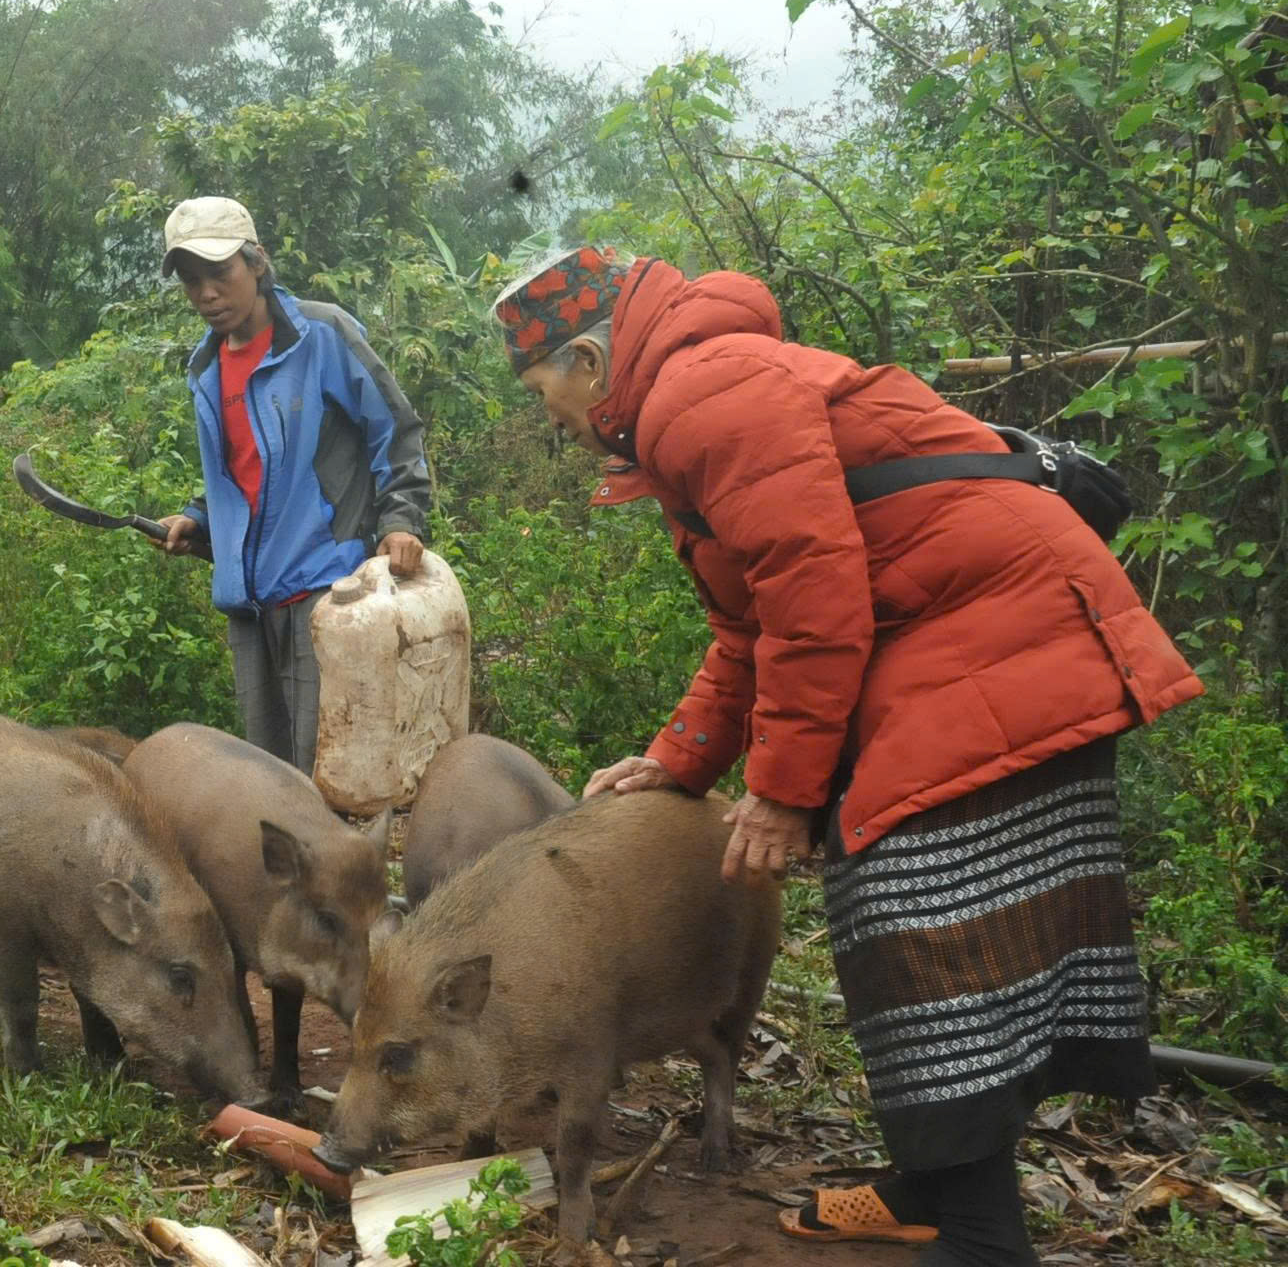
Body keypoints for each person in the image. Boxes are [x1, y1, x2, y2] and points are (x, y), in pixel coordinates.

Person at [495, 244, 1202, 1267]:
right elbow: (752, 622)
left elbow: (814, 599)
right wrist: (681, 761)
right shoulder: (693, 393)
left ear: (588, 359)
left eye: (541, 391)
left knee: (911, 919)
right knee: (922, 929)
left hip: (1000, 633)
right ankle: (934, 1183)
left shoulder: (699, 393)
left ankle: (976, 1234)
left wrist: (779, 795)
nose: (548, 417)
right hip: (982, 633)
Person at [153, 196, 432, 774]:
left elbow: (395, 429)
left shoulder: (321, 335)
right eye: (190, 280)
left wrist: (402, 521)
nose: (206, 293)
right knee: (269, 780)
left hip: (327, 591)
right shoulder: (205, 369)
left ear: (257, 262)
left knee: (329, 771)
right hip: (250, 604)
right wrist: (200, 519)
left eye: (219, 273)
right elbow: (242, 473)